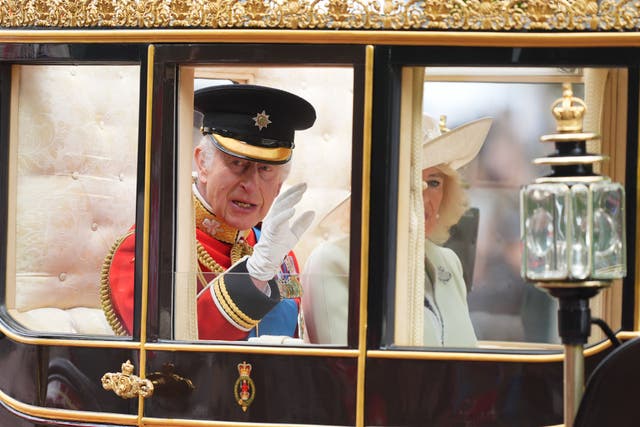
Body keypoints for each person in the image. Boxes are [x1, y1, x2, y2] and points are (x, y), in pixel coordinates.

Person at [101, 84, 316, 341]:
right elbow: (167, 347)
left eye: (266, 170)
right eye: (238, 164)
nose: (251, 184)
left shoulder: (280, 255)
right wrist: (254, 276)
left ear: (279, 184)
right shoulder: (149, 247)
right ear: (203, 164)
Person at [302, 114, 491, 347]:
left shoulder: (448, 262)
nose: (422, 197)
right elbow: (345, 374)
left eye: (434, 183)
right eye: (408, 181)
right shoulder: (334, 262)